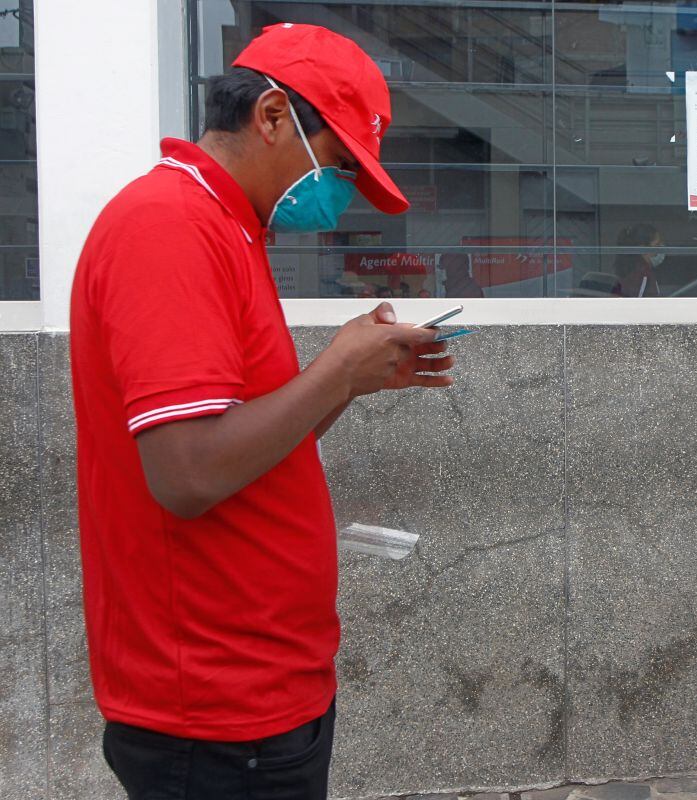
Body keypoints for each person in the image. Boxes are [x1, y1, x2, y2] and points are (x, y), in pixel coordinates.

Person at [70, 24, 457, 800]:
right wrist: (336, 367)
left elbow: (248, 439)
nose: (342, 191)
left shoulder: (221, 224)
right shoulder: (169, 225)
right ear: (273, 116)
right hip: (214, 709)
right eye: (342, 165)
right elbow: (187, 474)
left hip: (258, 689)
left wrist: (350, 381)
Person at [614, 223, 664, 297]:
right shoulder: (643, 273)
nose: (660, 249)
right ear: (643, 249)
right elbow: (635, 304)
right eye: (657, 245)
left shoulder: (633, 269)